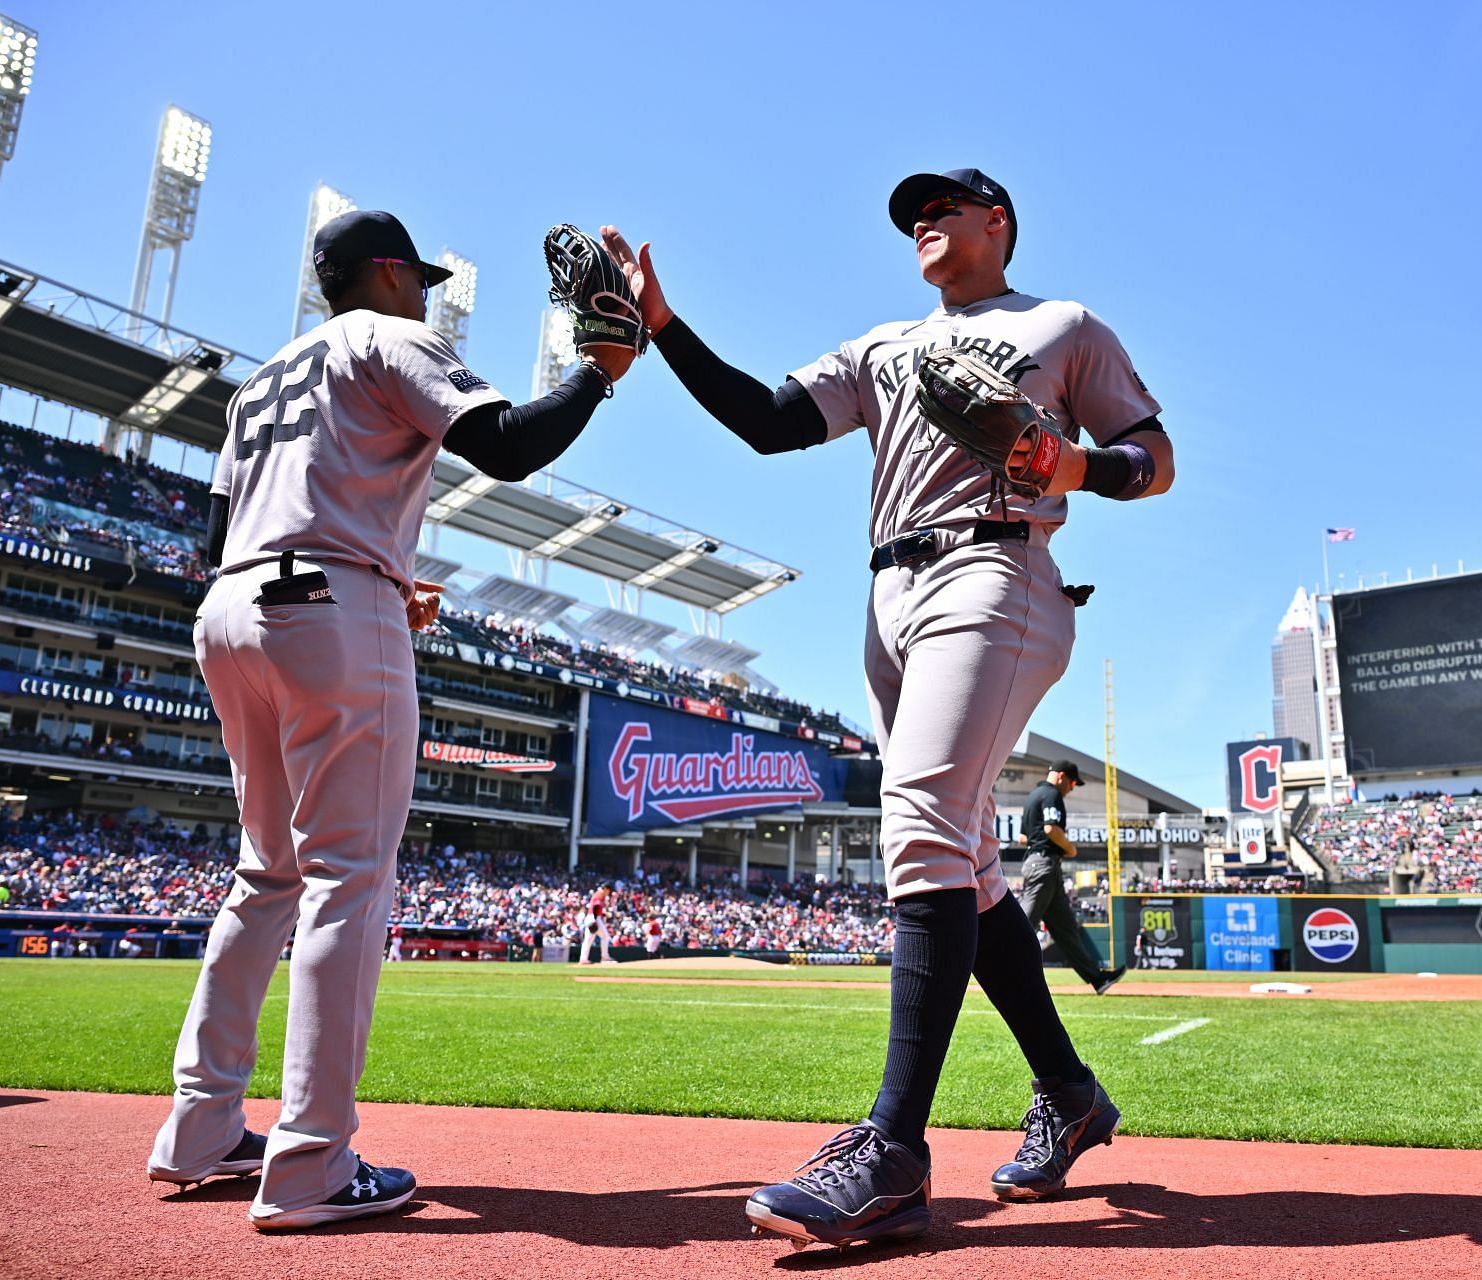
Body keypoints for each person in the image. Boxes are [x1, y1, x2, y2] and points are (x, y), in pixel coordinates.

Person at [603, 164, 1174, 1250]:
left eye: (943, 203)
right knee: (964, 855)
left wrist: (1076, 462)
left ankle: (894, 1152)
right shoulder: (882, 346)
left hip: (998, 568)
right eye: (910, 211)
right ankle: (1070, 1091)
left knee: (914, 816)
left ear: (997, 221)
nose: (920, 218)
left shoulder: (1064, 324)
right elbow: (768, 422)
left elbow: (1158, 459)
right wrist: (667, 327)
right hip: (889, 590)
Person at [146, 209, 636, 1231]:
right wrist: (599, 373)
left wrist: (359, 566)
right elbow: (504, 445)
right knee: (346, 877)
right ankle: (312, 1162)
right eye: (417, 275)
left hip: (234, 606)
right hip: (327, 600)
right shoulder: (386, 333)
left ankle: (199, 1127)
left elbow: (216, 532)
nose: (428, 293)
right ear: (383, 272)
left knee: (265, 872)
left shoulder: (259, 379)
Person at [1018, 761, 1125, 993]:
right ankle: (991, 966)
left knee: (1066, 929)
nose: (1072, 788)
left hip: (1044, 865)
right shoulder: (1051, 794)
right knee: (1022, 924)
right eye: (1073, 782)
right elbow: (1050, 829)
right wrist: (1070, 848)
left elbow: (1022, 838)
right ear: (1062, 777)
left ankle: (1097, 978)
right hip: (1043, 865)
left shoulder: (1033, 796)